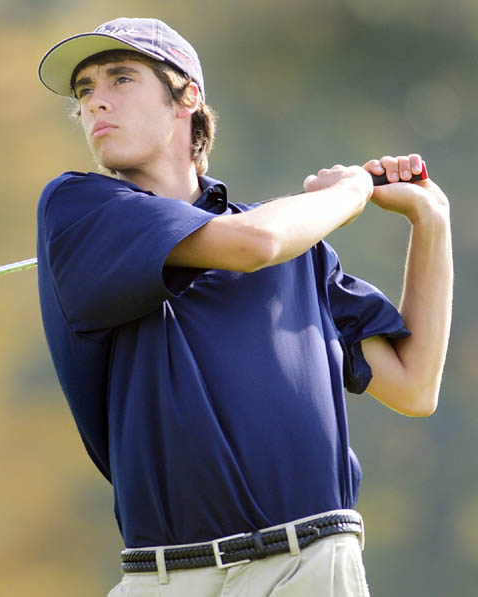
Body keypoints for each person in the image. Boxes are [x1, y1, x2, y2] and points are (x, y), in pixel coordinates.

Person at [35, 17, 452, 597]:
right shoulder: (79, 208)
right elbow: (255, 246)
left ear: (188, 98)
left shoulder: (298, 248)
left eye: (120, 79)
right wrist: (352, 190)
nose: (95, 104)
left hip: (312, 563)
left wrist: (431, 220)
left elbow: (413, 386)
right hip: (167, 575)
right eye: (84, 93)